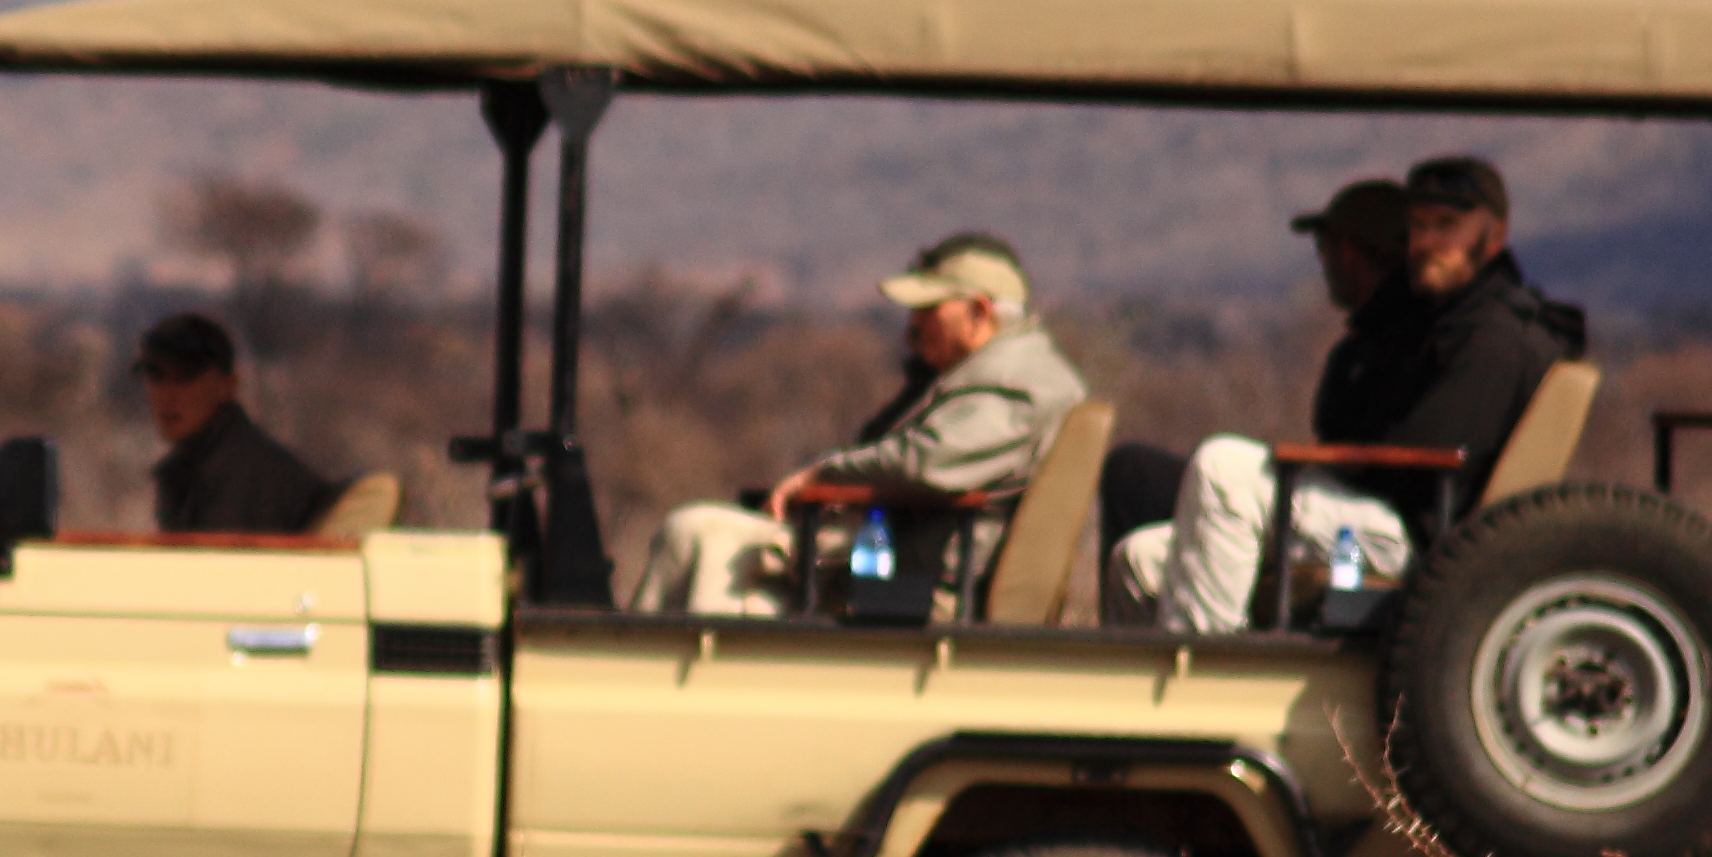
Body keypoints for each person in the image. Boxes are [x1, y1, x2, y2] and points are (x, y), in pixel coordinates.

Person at [1115, 154, 1589, 632]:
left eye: (1447, 225)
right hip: (1370, 516)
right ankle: (1129, 703)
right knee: (1139, 558)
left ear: (1494, 236)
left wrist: (1325, 461)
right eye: (1418, 226)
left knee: (1225, 469)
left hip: (1419, 538)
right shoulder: (1435, 318)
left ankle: (1197, 679)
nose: (1428, 242)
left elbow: (1424, 456)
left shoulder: (1495, 334)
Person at [633, 234, 1088, 618]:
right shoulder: (1014, 369)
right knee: (701, 533)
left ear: (979, 312)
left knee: (697, 532)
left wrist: (823, 475)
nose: (914, 325)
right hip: (893, 560)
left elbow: (927, 460)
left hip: (914, 583)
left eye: (929, 310)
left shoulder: (1013, 381)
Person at [1099, 175, 1408, 552]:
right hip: (1323, 499)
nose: (1323, 261)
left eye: (1325, 247)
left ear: (1348, 251)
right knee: (1139, 509)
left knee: (1195, 470)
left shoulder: (1405, 343)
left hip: (1350, 520)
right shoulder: (1363, 344)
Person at [135, 311, 343, 535]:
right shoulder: (196, 467)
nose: (167, 395)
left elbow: (226, 566)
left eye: (185, 378)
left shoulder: (248, 476)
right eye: (156, 377)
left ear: (228, 385)